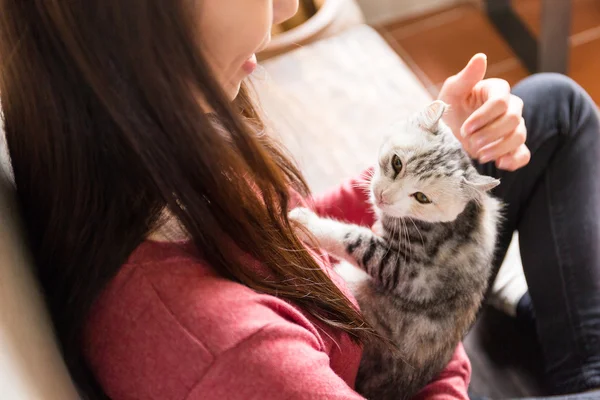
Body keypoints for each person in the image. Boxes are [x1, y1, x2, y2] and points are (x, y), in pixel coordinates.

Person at [0, 0, 597, 399]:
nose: (288, 6)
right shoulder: (234, 355)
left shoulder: (148, 156)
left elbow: (292, 236)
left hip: (378, 322)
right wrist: (449, 327)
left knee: (552, 105)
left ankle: (544, 331)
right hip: (416, 366)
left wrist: (432, 163)